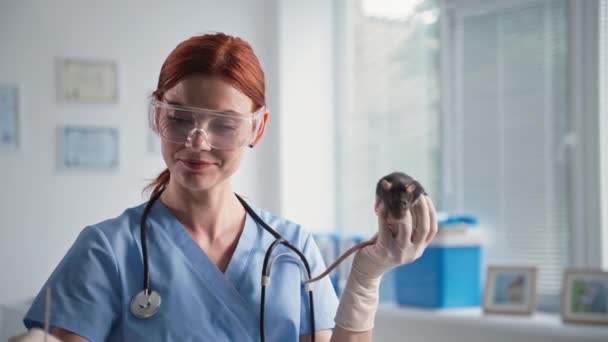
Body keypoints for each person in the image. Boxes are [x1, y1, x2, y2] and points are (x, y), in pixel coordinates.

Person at [20, 32, 438, 342]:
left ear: (258, 128)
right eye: (179, 117)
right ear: (157, 117)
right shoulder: (107, 251)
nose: (196, 141)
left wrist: (365, 278)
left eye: (224, 124)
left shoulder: (292, 250)